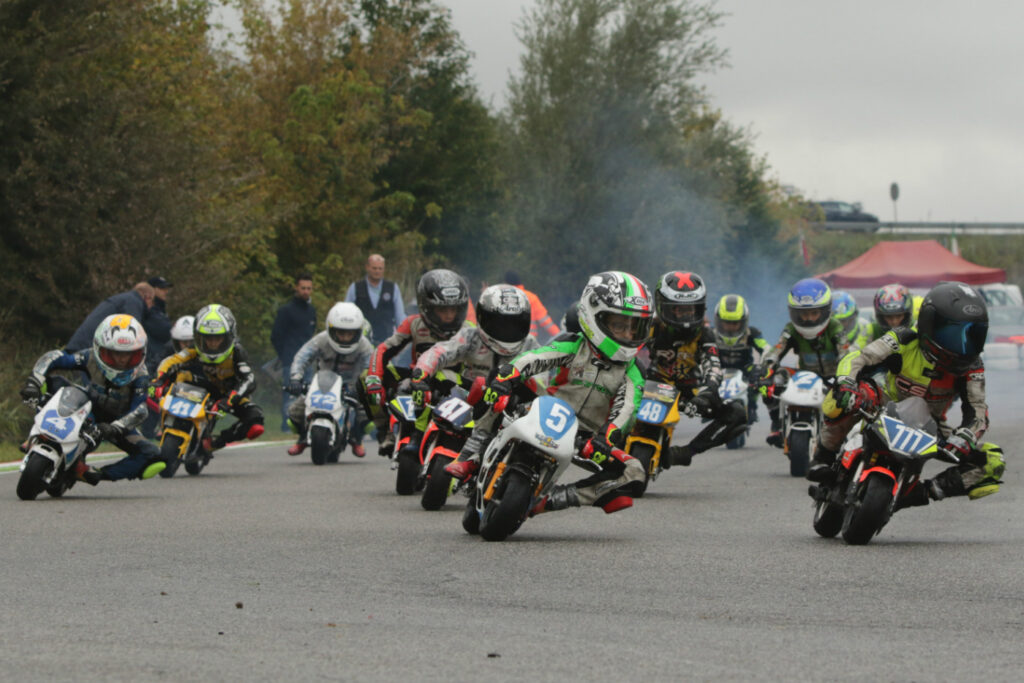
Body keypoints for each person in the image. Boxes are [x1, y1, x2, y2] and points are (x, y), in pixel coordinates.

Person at [445, 271, 652, 517]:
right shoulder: (574, 344)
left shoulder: (634, 369)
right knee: (495, 385)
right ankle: (472, 455)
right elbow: (536, 358)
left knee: (635, 471)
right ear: (594, 314)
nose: (628, 334)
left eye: (634, 327)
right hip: (545, 409)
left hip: (586, 438)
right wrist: (507, 376)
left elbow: (628, 407)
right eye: (620, 325)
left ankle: (558, 498)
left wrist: (605, 439)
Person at [808, 282, 1004, 505]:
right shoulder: (904, 337)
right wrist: (847, 383)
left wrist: (966, 436)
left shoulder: (972, 366)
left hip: (930, 424)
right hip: (882, 404)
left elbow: (978, 410)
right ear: (930, 325)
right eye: (954, 333)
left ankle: (923, 492)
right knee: (840, 397)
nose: (964, 344)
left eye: (972, 334)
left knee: (993, 461)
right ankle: (822, 458)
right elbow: (860, 358)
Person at [20, 315, 166, 484]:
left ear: (141, 353)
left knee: (152, 454)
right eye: (114, 353)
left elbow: (140, 409)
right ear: (99, 348)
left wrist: (115, 428)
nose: (122, 360)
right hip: (87, 406)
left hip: (117, 422)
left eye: (129, 355)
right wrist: (34, 381)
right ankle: (37, 434)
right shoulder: (89, 357)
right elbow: (56, 357)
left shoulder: (141, 375)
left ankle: (94, 473)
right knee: (55, 382)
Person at [406, 284, 539, 452]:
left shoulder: (532, 346)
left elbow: (542, 384)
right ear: (484, 318)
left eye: (514, 323)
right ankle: (418, 434)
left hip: (508, 408)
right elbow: (439, 352)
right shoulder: (471, 336)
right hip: (468, 397)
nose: (507, 329)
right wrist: (422, 374)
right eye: (500, 323)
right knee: (439, 376)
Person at [360, 269, 470, 457]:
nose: (449, 315)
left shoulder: (469, 331)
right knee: (365, 379)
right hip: (416, 380)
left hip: (455, 385)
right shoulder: (413, 324)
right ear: (426, 306)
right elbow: (383, 349)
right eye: (442, 309)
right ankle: (385, 430)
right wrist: (374, 379)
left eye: (454, 309)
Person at [643, 273, 747, 466]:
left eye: (691, 309)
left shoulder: (705, 333)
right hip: (652, 383)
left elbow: (713, 366)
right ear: (662, 305)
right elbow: (627, 352)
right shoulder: (649, 326)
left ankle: (686, 452)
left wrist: (707, 393)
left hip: (687, 389)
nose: (685, 315)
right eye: (678, 309)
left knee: (737, 413)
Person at [155, 304, 264, 452]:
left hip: (231, 395)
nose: (213, 343)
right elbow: (171, 361)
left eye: (218, 338)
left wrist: (229, 400)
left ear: (229, 336)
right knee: (180, 374)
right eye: (208, 338)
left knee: (256, 421)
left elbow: (249, 379)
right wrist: (159, 380)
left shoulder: (237, 352)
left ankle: (215, 443)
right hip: (205, 386)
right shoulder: (194, 349)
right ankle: (166, 422)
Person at [757, 278, 849, 447]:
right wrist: (767, 367)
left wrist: (844, 376)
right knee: (767, 382)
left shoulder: (835, 326)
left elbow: (844, 352)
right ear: (794, 313)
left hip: (832, 377)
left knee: (849, 398)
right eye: (804, 314)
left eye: (814, 313)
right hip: (804, 375)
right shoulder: (791, 329)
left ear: (825, 310)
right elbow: (778, 348)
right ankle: (776, 423)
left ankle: (846, 433)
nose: (809, 319)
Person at [285, 302, 374, 457]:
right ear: (331, 329)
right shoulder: (321, 339)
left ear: (358, 332)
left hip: (352, 385)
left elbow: (371, 368)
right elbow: (302, 357)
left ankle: (356, 438)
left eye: (350, 334)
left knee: (368, 413)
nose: (345, 338)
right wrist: (295, 379)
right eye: (341, 333)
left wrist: (362, 386)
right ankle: (302, 438)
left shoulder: (365, 346)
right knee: (295, 412)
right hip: (323, 382)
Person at [710, 294, 770, 425]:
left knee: (760, 378)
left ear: (744, 321)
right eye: (726, 323)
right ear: (718, 321)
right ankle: (709, 406)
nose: (730, 327)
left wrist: (763, 366)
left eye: (735, 323)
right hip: (718, 368)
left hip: (744, 368)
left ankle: (752, 406)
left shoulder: (752, 333)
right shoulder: (710, 334)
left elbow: (766, 349)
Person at [271, 273, 317, 431]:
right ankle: (287, 425)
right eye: (303, 288)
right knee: (290, 393)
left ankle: (305, 424)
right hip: (290, 360)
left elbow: (312, 336)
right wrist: (284, 355)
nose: (306, 291)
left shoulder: (311, 311)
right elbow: (276, 336)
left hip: (309, 361)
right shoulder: (286, 311)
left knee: (309, 393)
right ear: (297, 288)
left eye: (309, 288)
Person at [65, 282, 155, 352]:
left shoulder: (125, 299)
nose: (152, 305)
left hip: (81, 343)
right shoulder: (133, 303)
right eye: (152, 300)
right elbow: (132, 334)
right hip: (89, 348)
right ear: (146, 296)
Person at [345, 254, 406, 344]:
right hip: (360, 341)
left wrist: (404, 337)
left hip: (386, 341)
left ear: (384, 269)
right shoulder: (355, 288)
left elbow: (399, 316)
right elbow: (346, 313)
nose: (377, 271)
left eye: (380, 268)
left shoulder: (393, 288)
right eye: (374, 268)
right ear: (367, 267)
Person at [503, 270, 560, 341]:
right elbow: (545, 322)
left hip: (508, 343)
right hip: (529, 342)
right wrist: (560, 336)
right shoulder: (531, 297)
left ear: (506, 283)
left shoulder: (502, 298)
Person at [144, 276, 173, 374]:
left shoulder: (160, 310)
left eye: (166, 289)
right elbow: (167, 331)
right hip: (152, 361)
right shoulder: (149, 311)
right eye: (161, 288)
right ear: (151, 290)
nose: (165, 291)